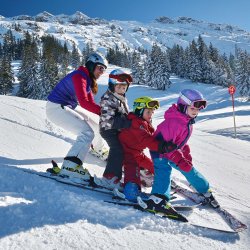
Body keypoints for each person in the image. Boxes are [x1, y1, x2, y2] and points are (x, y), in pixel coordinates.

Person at [138, 89, 219, 217]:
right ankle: (158, 199)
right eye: (193, 109)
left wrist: (185, 155)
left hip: (173, 150)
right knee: (164, 170)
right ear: (183, 105)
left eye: (198, 110)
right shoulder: (175, 122)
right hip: (159, 150)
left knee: (189, 169)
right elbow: (169, 147)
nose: (196, 112)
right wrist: (180, 160)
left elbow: (181, 142)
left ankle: (205, 190)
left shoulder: (186, 121)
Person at [46, 52, 108, 180]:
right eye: (100, 68)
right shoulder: (79, 77)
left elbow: (90, 103)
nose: (102, 72)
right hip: (56, 108)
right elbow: (85, 103)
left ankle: (100, 151)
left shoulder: (87, 79)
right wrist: (106, 113)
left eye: (104, 69)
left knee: (95, 126)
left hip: (65, 107)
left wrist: (106, 113)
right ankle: (71, 165)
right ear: (91, 65)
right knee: (87, 133)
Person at [119, 96, 177, 202]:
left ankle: (162, 181)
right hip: (127, 153)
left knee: (153, 166)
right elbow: (146, 140)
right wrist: (162, 146)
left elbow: (152, 137)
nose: (151, 115)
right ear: (139, 110)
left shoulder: (143, 123)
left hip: (137, 153)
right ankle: (131, 191)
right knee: (132, 170)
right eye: (148, 112)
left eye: (152, 113)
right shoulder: (135, 123)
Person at [95, 69, 132, 190]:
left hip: (117, 129)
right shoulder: (108, 98)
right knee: (117, 149)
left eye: (124, 87)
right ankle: (109, 177)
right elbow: (108, 119)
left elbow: (125, 114)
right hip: (108, 129)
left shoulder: (121, 98)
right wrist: (126, 122)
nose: (122, 90)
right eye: (119, 87)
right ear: (112, 86)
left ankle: (121, 173)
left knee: (124, 148)